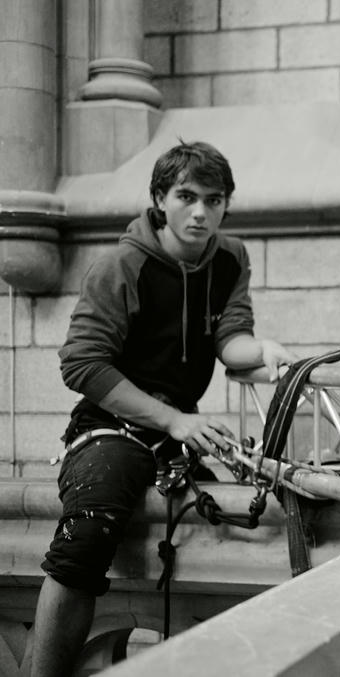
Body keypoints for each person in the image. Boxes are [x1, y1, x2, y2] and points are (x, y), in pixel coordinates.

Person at [30, 141, 295, 677]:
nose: (201, 213)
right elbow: (81, 364)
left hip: (178, 433)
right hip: (109, 427)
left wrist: (263, 350)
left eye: (215, 201)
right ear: (159, 199)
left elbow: (230, 339)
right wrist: (174, 420)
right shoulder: (120, 266)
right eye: (187, 197)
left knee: (235, 525)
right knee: (88, 533)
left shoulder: (230, 258)